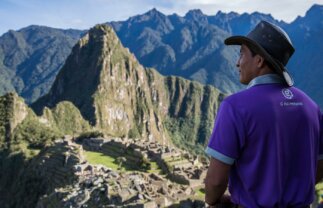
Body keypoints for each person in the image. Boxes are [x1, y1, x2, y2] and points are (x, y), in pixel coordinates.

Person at [204, 20, 323, 207]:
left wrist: (214, 200)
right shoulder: (311, 107)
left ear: (259, 60)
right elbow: (318, 167)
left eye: (241, 54)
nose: (237, 63)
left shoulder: (235, 106)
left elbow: (216, 181)